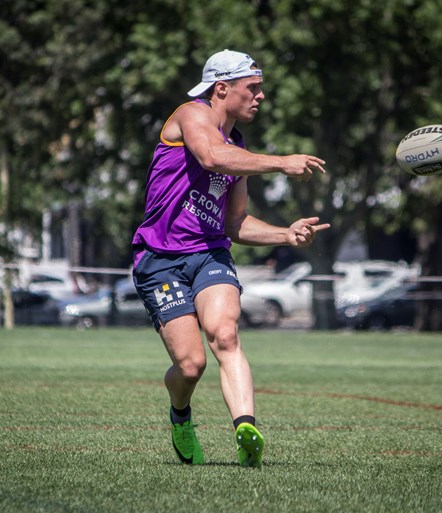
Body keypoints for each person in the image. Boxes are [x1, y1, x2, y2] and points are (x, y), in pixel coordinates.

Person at [131, 49, 329, 468]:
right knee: (190, 365)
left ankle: (245, 428)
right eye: (252, 89)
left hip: (208, 254)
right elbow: (210, 156)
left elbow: (234, 223)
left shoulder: (238, 147)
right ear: (222, 88)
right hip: (160, 259)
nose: (260, 97)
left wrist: (285, 234)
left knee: (225, 334)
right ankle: (180, 417)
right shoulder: (191, 115)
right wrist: (280, 164)